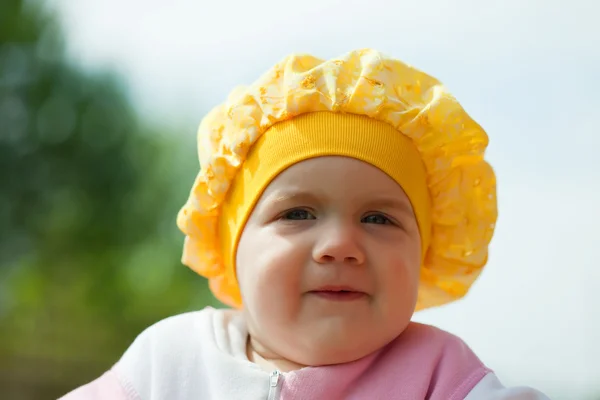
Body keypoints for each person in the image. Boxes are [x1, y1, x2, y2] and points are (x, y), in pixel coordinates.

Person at [61, 49, 550, 399]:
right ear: (232, 246)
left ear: (424, 254)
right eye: (297, 214)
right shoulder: (168, 363)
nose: (340, 245)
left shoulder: (440, 377)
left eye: (378, 218)